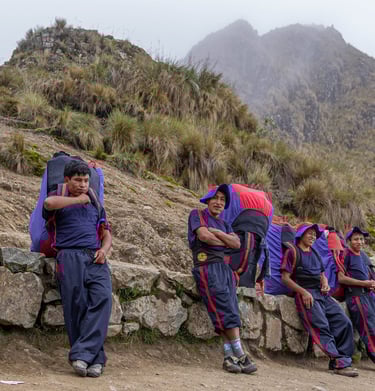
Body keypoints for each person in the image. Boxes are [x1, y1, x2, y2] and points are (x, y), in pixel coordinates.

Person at [43, 160, 112, 378]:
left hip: (95, 256)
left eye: (85, 180)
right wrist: (77, 200)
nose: (83, 184)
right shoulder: (60, 195)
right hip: (69, 255)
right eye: (78, 180)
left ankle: (82, 354)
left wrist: (105, 249)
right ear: (67, 180)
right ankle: (94, 360)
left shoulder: (96, 204)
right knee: (76, 306)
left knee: (103, 300)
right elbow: (48, 203)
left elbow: (107, 233)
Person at [187, 184, 257, 374]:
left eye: (223, 200)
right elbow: (203, 236)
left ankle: (229, 358)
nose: (219, 202)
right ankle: (241, 354)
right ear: (208, 200)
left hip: (225, 270)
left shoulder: (224, 224)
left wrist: (217, 233)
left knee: (230, 308)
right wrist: (223, 240)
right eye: (215, 198)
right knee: (224, 308)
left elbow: (236, 243)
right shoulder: (197, 215)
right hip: (207, 266)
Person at [281, 223, 358, 377]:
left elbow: (322, 273)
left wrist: (325, 283)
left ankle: (342, 358)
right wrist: (303, 292)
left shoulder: (315, 252)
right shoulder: (292, 251)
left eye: (315, 235)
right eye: (309, 234)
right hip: (306, 294)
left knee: (344, 322)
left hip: (322, 294)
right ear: (301, 234)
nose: (312, 237)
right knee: (321, 325)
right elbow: (285, 278)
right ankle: (338, 362)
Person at [337, 227, 375, 364]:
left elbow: (371, 275)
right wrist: (363, 283)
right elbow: (341, 278)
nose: (359, 242)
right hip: (356, 297)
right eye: (356, 239)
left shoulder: (364, 255)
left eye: (361, 239)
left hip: (370, 296)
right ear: (349, 241)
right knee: (368, 328)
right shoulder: (346, 255)